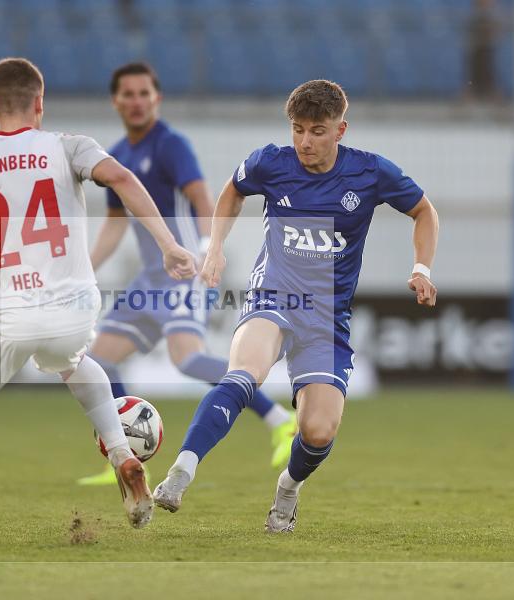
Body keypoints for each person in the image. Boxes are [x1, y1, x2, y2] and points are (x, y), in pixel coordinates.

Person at [0, 57, 195, 544]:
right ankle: (122, 453)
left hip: (9, 309)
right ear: (40, 104)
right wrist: (168, 244)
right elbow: (121, 179)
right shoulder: (68, 146)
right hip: (74, 304)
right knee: (73, 360)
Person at [153, 80, 439, 532]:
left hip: (327, 319)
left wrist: (421, 267)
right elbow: (232, 190)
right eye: (298, 129)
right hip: (275, 296)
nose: (305, 141)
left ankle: (288, 489)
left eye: (317, 131)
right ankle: (180, 473)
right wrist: (214, 248)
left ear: (340, 130)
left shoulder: (370, 173)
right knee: (244, 373)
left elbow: (424, 210)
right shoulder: (272, 162)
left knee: (319, 431)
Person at [76, 62, 296, 487]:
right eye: (129, 94)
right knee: (99, 360)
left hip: (182, 274)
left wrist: (201, 249)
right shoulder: (117, 155)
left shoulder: (171, 145)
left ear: (156, 99)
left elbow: (200, 198)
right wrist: (81, 270)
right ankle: (122, 453)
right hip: (149, 281)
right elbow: (116, 224)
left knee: (188, 359)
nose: (137, 101)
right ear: (115, 101)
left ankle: (280, 419)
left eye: (145, 93)